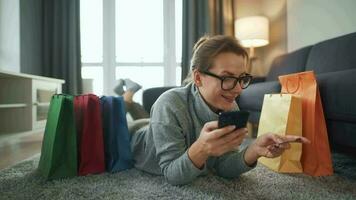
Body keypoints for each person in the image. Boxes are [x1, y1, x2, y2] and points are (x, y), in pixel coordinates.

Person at [115, 35, 310, 186]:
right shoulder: (169, 104)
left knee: (150, 118)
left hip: (157, 123)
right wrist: (202, 148)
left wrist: (253, 150)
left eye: (242, 78)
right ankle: (127, 96)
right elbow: (172, 174)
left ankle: (128, 98)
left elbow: (222, 166)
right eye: (227, 77)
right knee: (124, 116)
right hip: (131, 136)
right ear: (198, 78)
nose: (238, 89)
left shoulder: (230, 106)